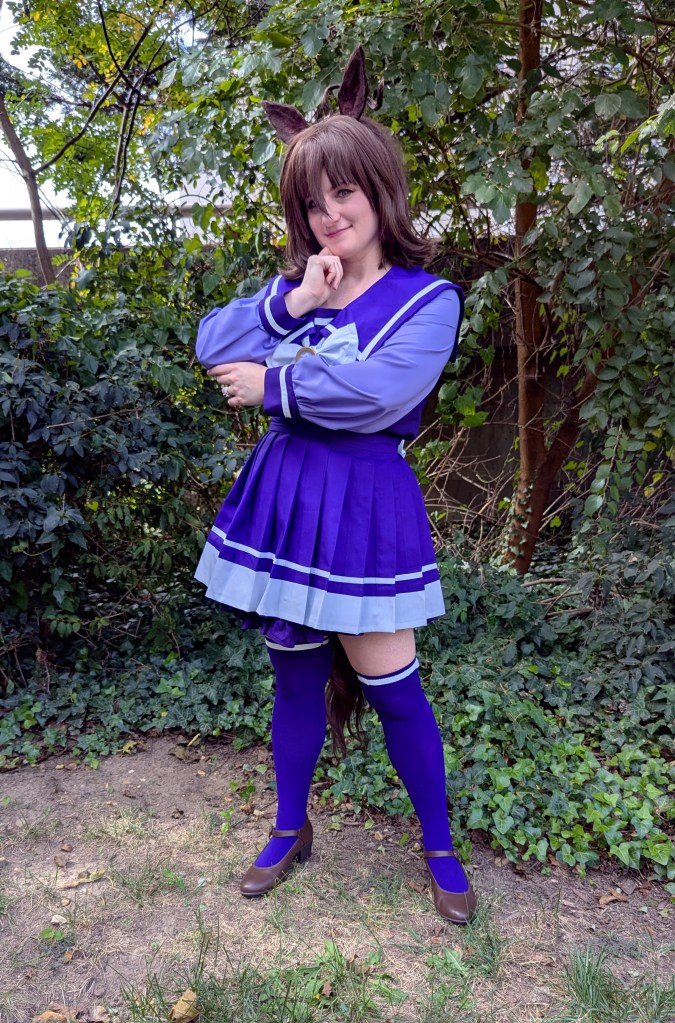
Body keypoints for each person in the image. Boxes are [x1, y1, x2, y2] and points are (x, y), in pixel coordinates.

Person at [194, 49, 477, 925]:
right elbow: (212, 344)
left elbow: (381, 394)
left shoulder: (428, 300)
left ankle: (437, 843)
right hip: (286, 503)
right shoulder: (295, 289)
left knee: (393, 691)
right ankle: (290, 827)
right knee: (292, 682)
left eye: (343, 193)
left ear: (379, 191)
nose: (328, 215)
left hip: (362, 508)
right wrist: (292, 307)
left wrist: (273, 385)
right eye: (312, 203)